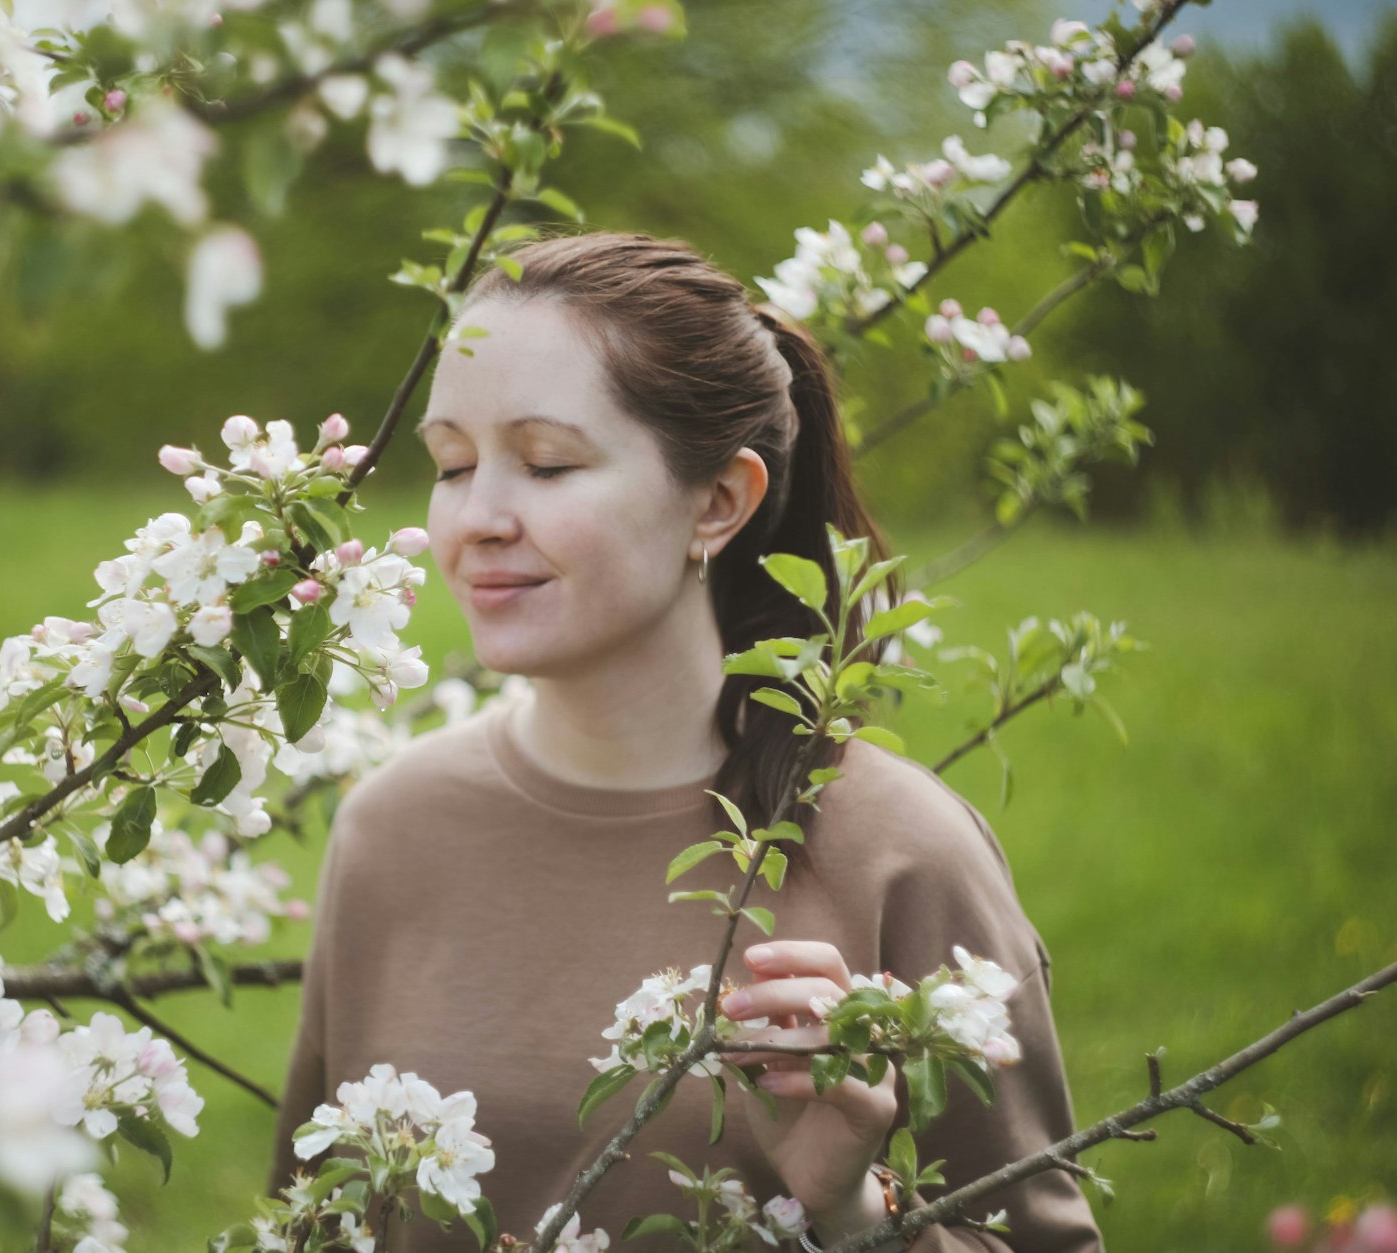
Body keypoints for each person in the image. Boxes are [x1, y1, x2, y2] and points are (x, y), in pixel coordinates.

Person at [266, 230, 1105, 1252]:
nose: (476, 516)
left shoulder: (903, 853)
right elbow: (307, 1224)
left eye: (544, 462)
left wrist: (852, 1215)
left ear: (717, 502)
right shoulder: (387, 830)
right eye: (450, 464)